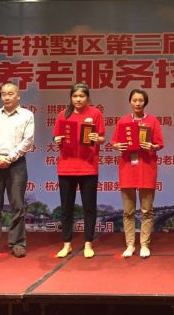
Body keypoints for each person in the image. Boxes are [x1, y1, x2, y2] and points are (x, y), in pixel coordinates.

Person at [0, 81, 35, 259]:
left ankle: (17, 244)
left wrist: (10, 157)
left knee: (17, 206)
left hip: (16, 164)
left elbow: (28, 140)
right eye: (3, 94)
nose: (7, 97)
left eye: (11, 94)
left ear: (18, 96)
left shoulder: (27, 115)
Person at [52, 83, 105, 259]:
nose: (78, 99)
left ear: (87, 97)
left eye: (81, 96)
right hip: (66, 167)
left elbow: (102, 138)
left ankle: (88, 243)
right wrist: (57, 139)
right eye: (75, 96)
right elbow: (56, 136)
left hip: (88, 167)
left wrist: (97, 138)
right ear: (71, 98)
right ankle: (66, 244)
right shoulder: (63, 114)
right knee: (66, 208)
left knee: (89, 208)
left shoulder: (95, 113)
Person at [112, 89, 164, 258]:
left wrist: (153, 146)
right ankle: (129, 244)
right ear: (130, 102)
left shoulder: (152, 120)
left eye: (141, 100)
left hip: (146, 168)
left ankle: (144, 244)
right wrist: (117, 146)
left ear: (145, 102)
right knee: (128, 211)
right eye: (134, 100)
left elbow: (159, 143)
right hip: (127, 168)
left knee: (146, 210)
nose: (137, 103)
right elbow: (114, 142)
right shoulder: (123, 121)